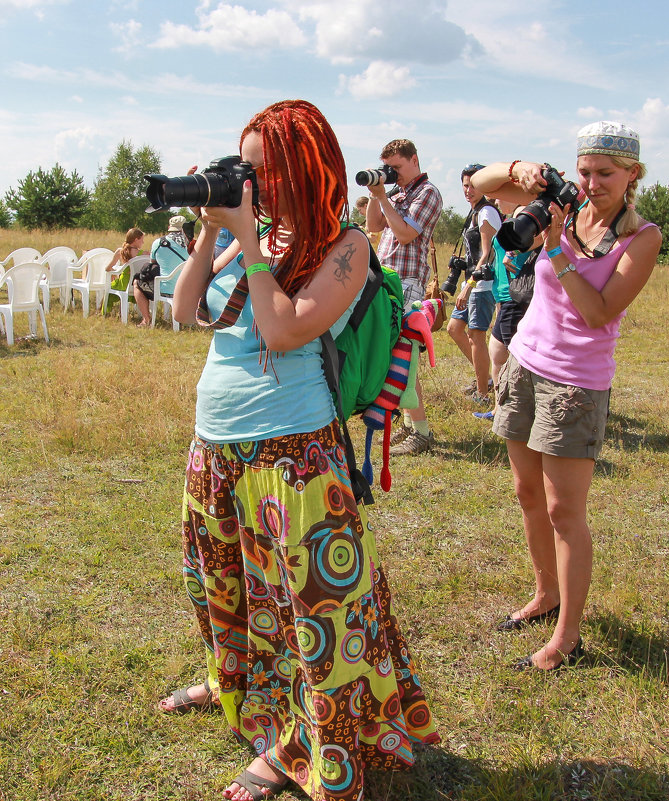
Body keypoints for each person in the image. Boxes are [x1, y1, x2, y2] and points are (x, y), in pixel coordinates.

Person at [168, 100, 439, 801]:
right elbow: (183, 310)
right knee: (222, 588)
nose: (250, 183)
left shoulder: (346, 245)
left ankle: (296, 744)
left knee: (307, 611)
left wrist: (249, 242)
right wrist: (211, 235)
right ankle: (231, 681)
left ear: (300, 165)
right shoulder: (246, 231)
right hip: (216, 444)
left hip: (294, 455)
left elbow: (286, 329)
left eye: (261, 170)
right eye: (242, 170)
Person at [472, 121, 662, 670]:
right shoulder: (561, 203)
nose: (593, 182)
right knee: (528, 494)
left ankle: (567, 635)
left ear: (632, 174)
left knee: (564, 510)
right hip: (525, 365)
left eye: (606, 173)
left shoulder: (641, 238)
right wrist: (517, 171)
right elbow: (483, 185)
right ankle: (545, 592)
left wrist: (557, 251)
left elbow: (599, 311)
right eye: (585, 171)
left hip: (576, 382)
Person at [365, 139, 442, 455]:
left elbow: (405, 233)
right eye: (388, 168)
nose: (392, 173)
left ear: (414, 160)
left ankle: (421, 433)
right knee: (391, 355)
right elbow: (373, 226)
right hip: (387, 278)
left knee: (403, 357)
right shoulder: (395, 192)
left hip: (408, 281)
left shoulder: (428, 193)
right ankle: (410, 425)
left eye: (396, 167)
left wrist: (384, 197)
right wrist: (376, 194)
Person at [473, 200, 542, 422]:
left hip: (517, 293)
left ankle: (505, 409)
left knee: (502, 353)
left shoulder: (525, 213)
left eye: (498, 193)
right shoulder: (511, 216)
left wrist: (512, 253)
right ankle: (504, 407)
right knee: (503, 352)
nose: (494, 199)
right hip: (505, 293)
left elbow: (537, 240)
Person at [447, 164, 502, 405]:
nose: (469, 190)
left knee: (475, 335)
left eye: (474, 185)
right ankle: (486, 378)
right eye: (466, 185)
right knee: (454, 329)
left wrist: (469, 284)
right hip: (473, 281)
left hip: (483, 284)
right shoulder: (475, 212)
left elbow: (488, 254)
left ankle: (483, 393)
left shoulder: (486, 212)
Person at [132, 215, 189, 327]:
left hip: (166, 288)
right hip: (188, 289)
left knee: (136, 283)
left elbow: (153, 262)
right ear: (184, 229)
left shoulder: (159, 243)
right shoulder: (193, 244)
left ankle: (146, 319)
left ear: (169, 228)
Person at [102, 228, 148, 315]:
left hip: (124, 284)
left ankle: (105, 312)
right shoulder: (144, 254)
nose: (143, 242)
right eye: (142, 240)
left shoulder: (120, 251)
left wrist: (116, 271)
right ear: (136, 240)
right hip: (138, 284)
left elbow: (107, 268)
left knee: (109, 287)